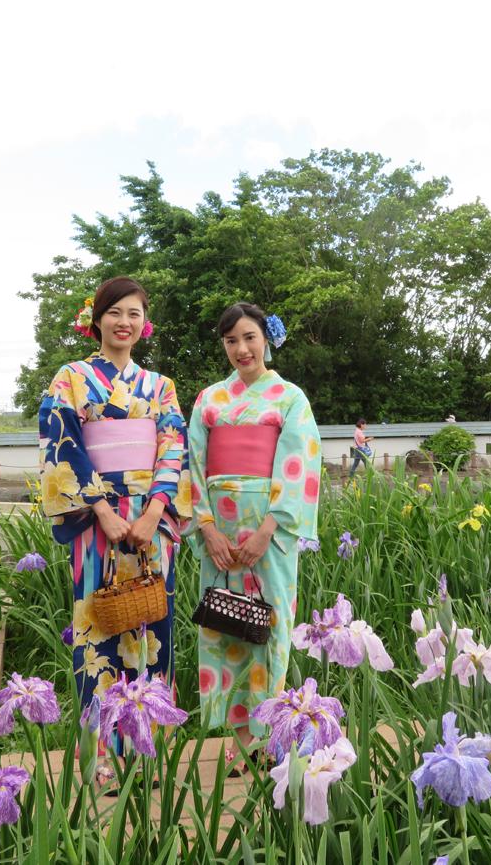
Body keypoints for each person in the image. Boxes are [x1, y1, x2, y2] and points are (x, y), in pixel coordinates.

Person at [38, 276, 190, 753]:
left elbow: (174, 448)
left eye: (134, 314)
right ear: (96, 319)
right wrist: (101, 508)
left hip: (150, 519)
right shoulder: (72, 378)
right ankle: (101, 752)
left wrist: (154, 513)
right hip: (93, 519)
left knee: (152, 624)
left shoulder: (160, 386)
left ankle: (147, 747)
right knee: (95, 626)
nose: (124, 322)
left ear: (145, 325)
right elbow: (63, 443)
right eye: (115, 312)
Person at [186, 302, 321, 761]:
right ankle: (238, 739)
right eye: (230, 341)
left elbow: (299, 464)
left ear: (266, 337)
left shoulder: (288, 396)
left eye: (249, 337)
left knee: (270, 625)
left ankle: (269, 738)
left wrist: (269, 528)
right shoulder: (209, 399)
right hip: (218, 536)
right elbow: (194, 465)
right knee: (225, 626)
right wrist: (206, 528)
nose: (241, 349)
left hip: (268, 533)